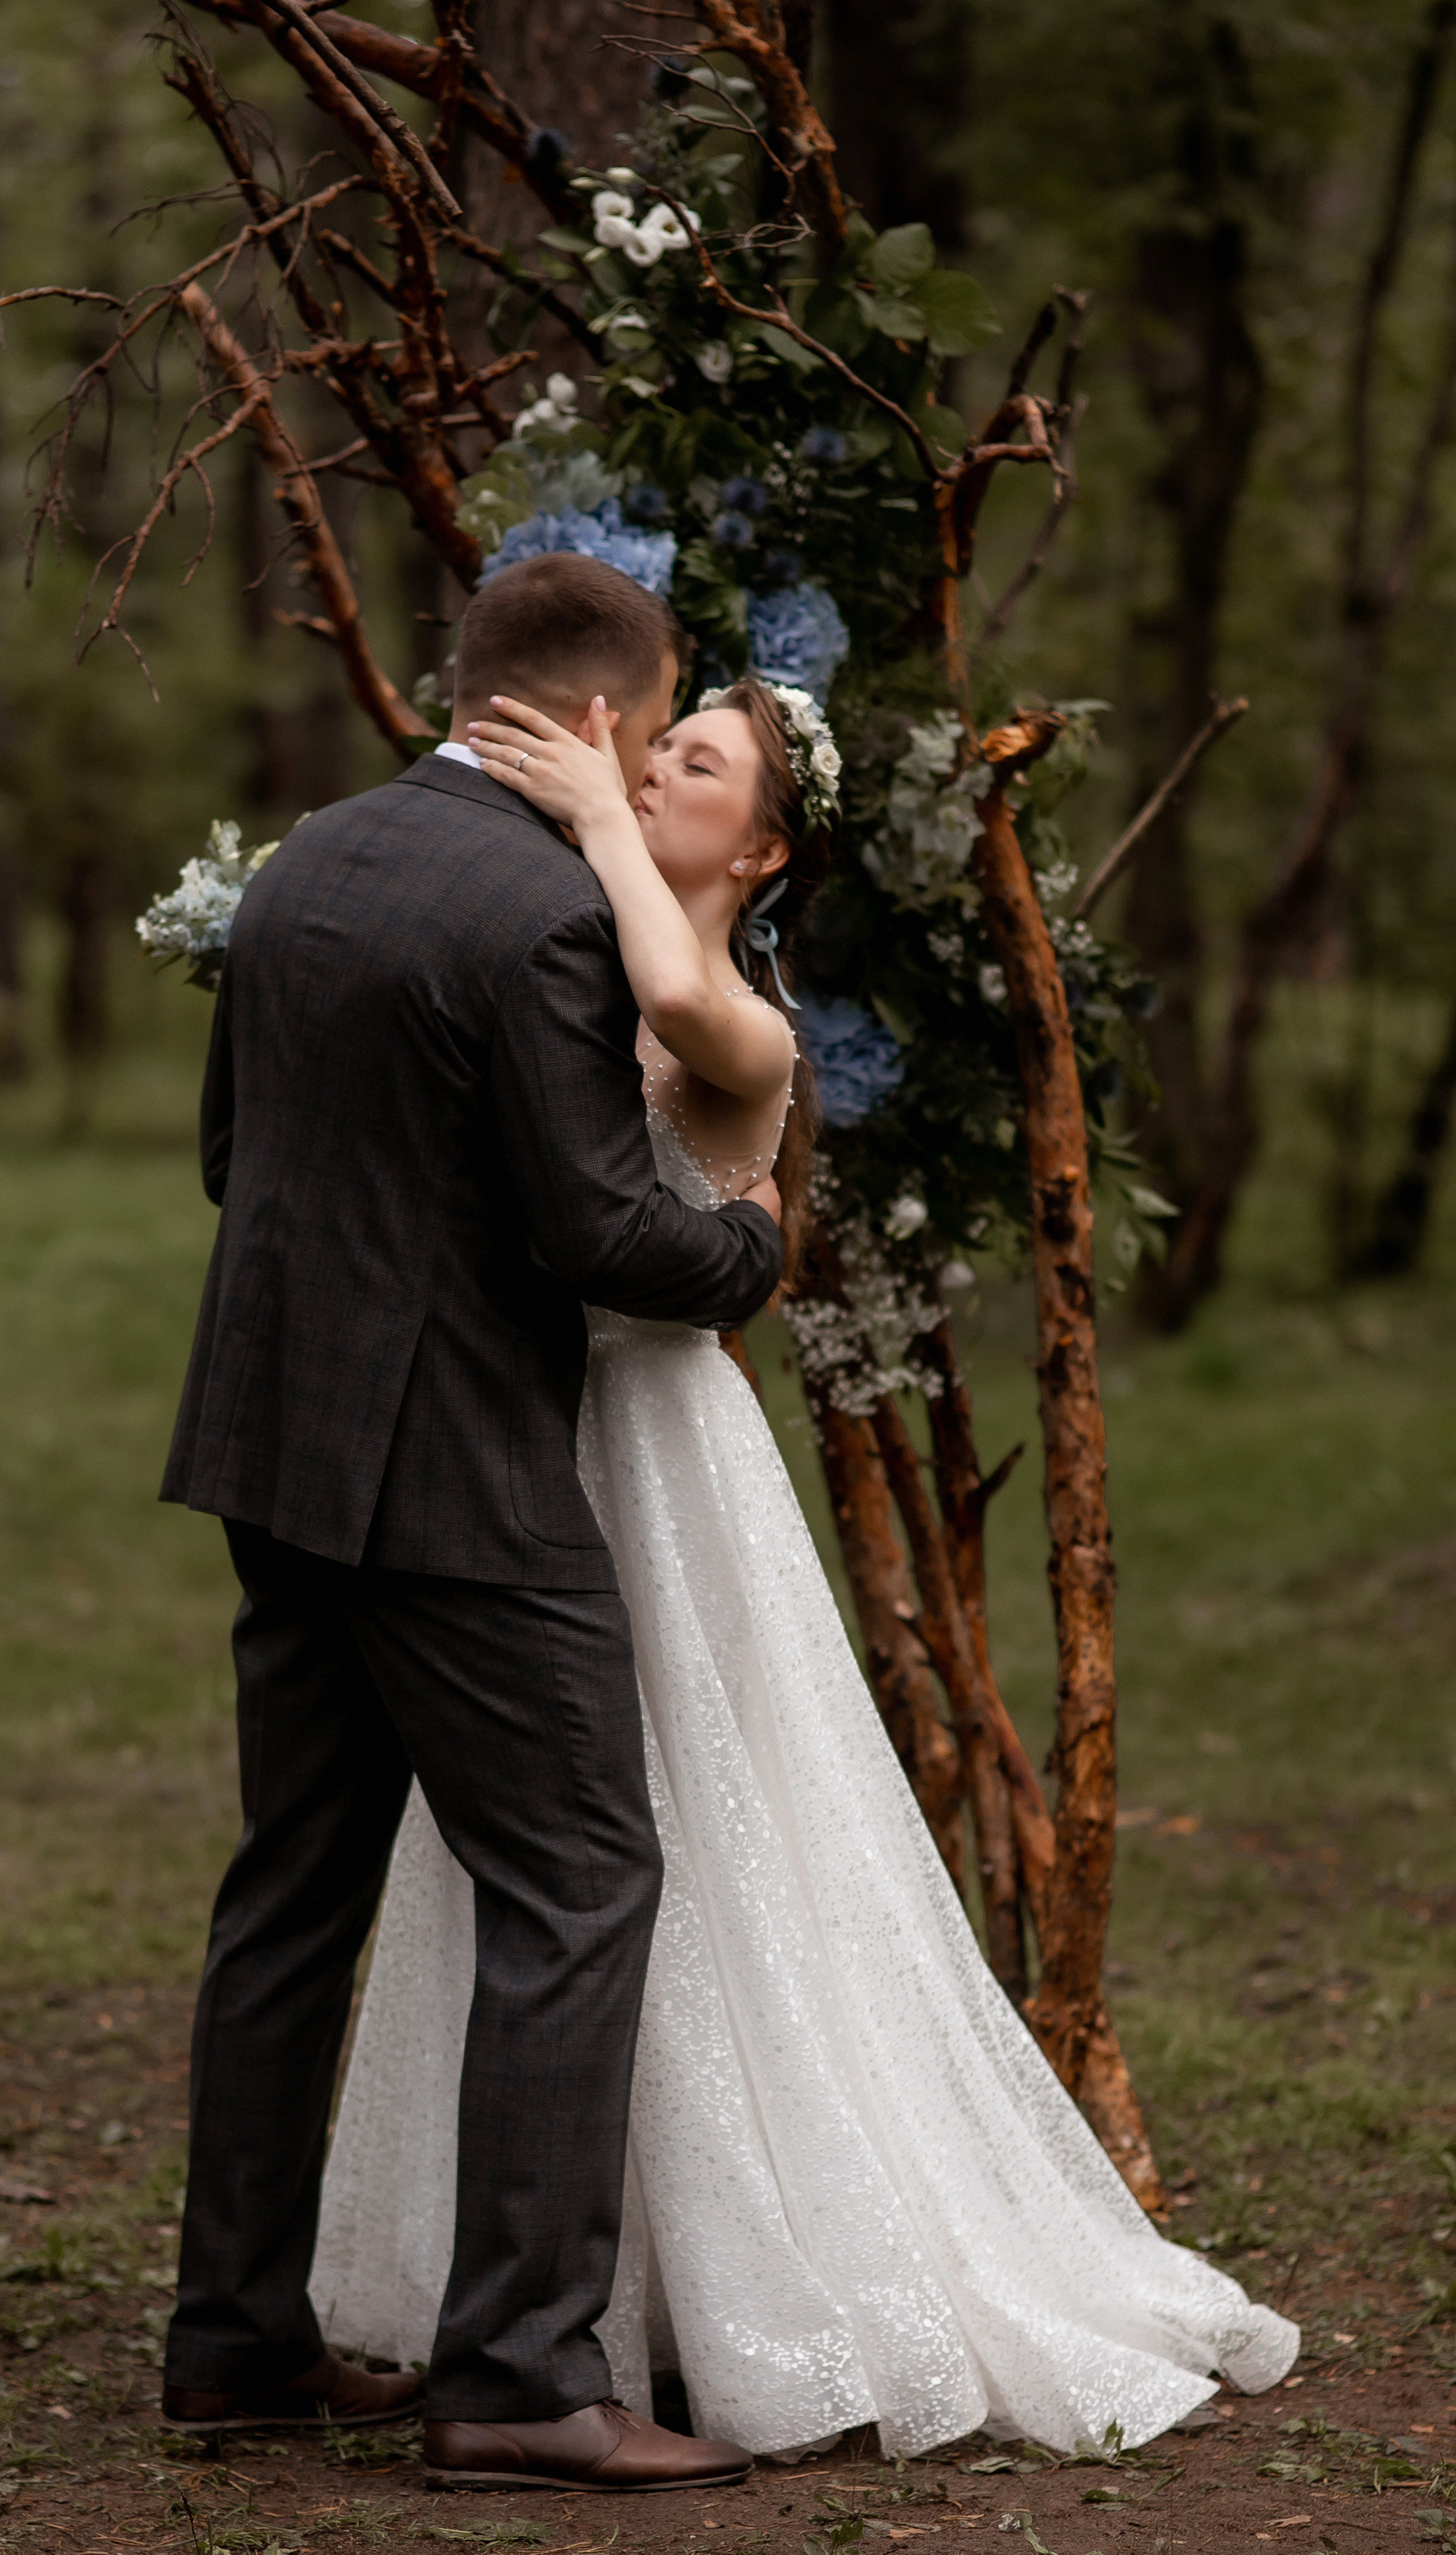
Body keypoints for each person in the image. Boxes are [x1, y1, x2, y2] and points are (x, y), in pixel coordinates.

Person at [310, 674, 1300, 2463]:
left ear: (760, 846)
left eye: (689, 761)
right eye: (652, 746)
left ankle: (738, 2270)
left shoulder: (738, 1012)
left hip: (661, 1453)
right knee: (546, 1862)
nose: (645, 767)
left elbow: (682, 1014)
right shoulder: (556, 953)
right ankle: (575, 2285)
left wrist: (599, 819)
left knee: (700, 1832)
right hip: (513, 1440)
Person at [158, 552, 788, 2493]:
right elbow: (603, 1231)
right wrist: (748, 1242)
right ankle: (518, 2373)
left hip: (271, 1448)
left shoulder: (308, 864)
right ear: (605, 719)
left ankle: (235, 2346)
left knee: (290, 1896)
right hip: (454, 1482)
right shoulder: (546, 922)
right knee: (583, 1881)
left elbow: (224, 1158)